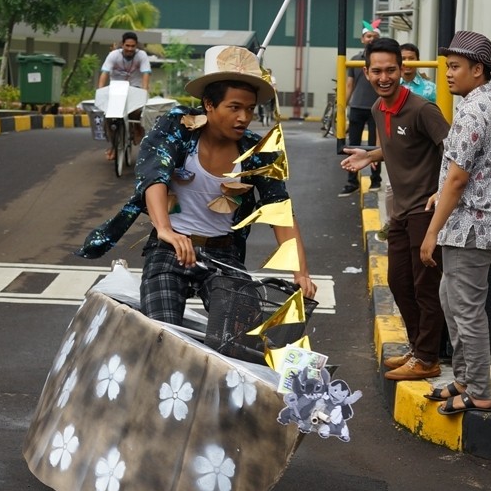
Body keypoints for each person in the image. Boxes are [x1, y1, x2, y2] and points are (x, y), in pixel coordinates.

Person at [76, 45, 317, 321]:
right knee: (161, 332)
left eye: (249, 109)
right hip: (171, 248)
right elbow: (154, 175)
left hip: (224, 255)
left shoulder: (257, 150)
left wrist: (301, 273)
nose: (244, 117)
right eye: (234, 107)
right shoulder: (177, 127)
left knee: (239, 333)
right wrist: (165, 229)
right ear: (209, 104)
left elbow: (279, 209)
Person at [419, 31, 491, 415]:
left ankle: (479, 392)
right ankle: (464, 379)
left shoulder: (472, 111)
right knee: (450, 299)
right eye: (448, 66)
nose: (448, 74)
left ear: (478, 69)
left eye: (455, 67)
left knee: (465, 310)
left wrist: (432, 232)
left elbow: (457, 178)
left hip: (472, 225)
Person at [340, 37, 449, 381]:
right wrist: (371, 155)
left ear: (402, 70)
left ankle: (428, 357)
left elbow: (453, 151)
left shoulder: (422, 109)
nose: (383, 77)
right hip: (400, 211)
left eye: (390, 70)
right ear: (366, 73)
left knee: (424, 286)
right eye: (377, 71)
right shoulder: (377, 108)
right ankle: (418, 348)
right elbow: (398, 145)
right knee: (399, 282)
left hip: (425, 211)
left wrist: (443, 192)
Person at [341, 20, 381, 197]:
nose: (371, 39)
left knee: (376, 146)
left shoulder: (380, 60)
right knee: (352, 145)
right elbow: (349, 85)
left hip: (377, 108)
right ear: (362, 39)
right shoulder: (355, 60)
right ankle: (352, 182)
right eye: (368, 36)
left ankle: (376, 179)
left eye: (374, 36)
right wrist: (341, 109)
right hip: (357, 107)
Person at [98, 31, 152, 161]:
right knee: (109, 117)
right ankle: (113, 145)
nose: (130, 49)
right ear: (122, 44)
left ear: (136, 46)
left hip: (135, 88)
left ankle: (136, 128)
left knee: (136, 112)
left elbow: (145, 74)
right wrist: (100, 90)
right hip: (116, 89)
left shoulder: (141, 55)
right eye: (127, 45)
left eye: (133, 46)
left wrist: (144, 92)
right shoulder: (113, 55)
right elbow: (105, 73)